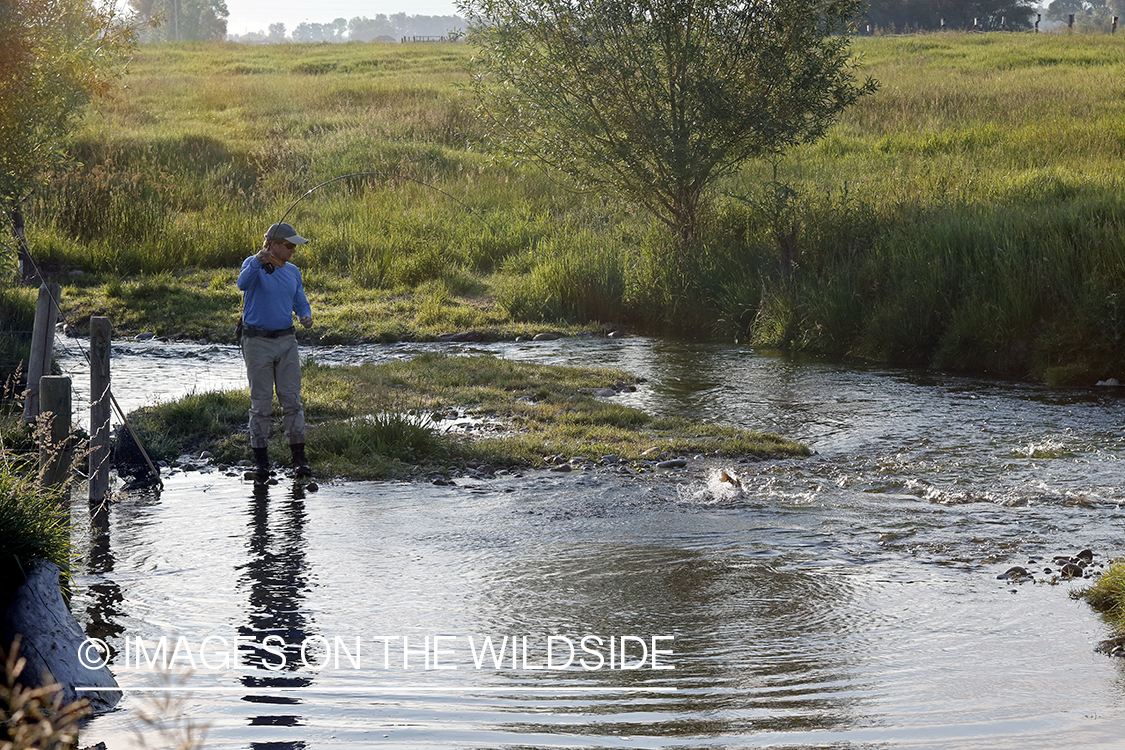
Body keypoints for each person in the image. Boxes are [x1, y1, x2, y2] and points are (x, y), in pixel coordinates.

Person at [238, 222, 314, 480]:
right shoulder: (252, 264)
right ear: (273, 244)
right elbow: (242, 284)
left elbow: (299, 299)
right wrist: (258, 261)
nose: (294, 250)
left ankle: (299, 460)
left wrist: (305, 315)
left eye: (295, 245)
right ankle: (261, 463)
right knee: (261, 405)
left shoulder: (293, 271)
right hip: (256, 341)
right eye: (289, 245)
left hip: (286, 341)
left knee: (292, 400)